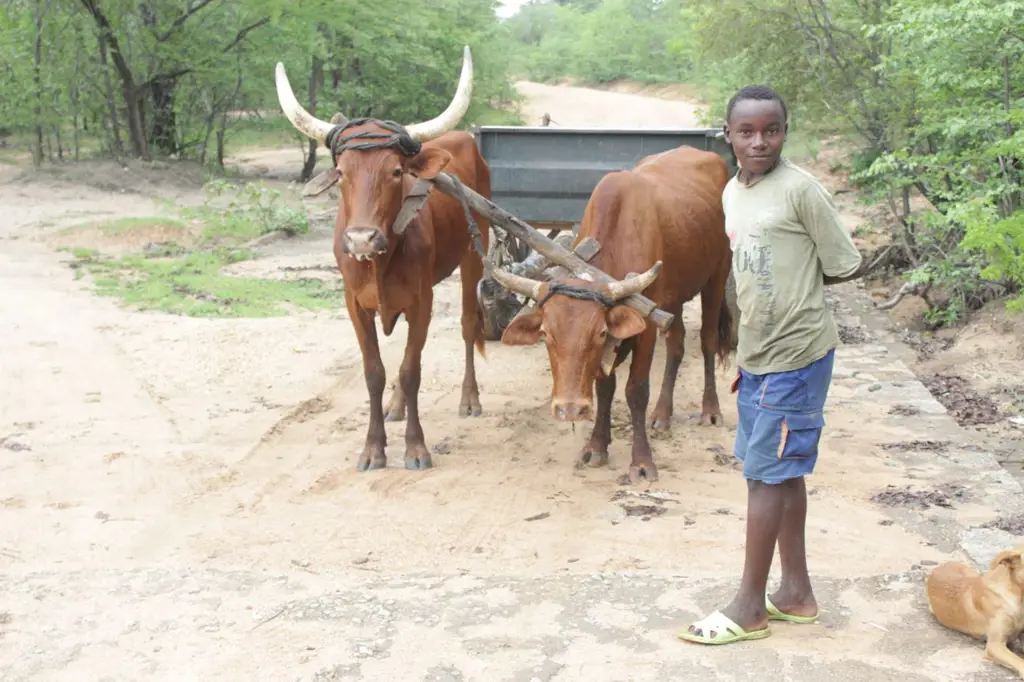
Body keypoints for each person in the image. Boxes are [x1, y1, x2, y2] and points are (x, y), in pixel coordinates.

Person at [676, 84, 865, 645]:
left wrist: (794, 299)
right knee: (783, 472)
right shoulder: (734, 191)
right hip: (759, 357)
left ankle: (748, 606)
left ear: (785, 131)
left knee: (765, 476)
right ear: (727, 134)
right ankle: (796, 592)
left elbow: (842, 264)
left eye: (772, 130)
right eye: (747, 132)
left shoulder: (801, 191)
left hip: (798, 354)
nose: (760, 142)